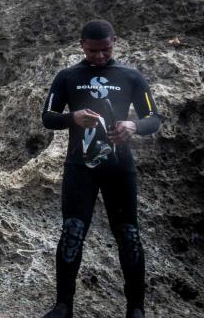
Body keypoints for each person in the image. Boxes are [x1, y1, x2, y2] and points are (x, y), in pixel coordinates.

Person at [41, 20, 161, 318]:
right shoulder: (68, 76)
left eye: (106, 50)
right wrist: (73, 117)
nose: (100, 56)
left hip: (119, 166)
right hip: (79, 165)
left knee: (128, 235)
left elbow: (154, 118)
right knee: (72, 232)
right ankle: (63, 306)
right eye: (93, 51)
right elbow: (47, 117)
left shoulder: (130, 76)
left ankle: (136, 309)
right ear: (82, 44)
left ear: (114, 43)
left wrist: (133, 125)